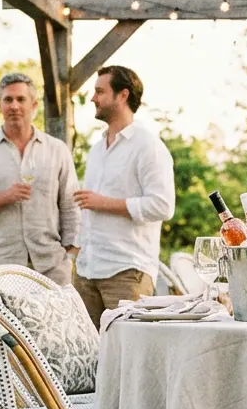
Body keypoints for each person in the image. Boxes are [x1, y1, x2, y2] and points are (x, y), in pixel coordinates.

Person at [0, 72, 81, 284]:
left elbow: (70, 204)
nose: (14, 106)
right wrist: (2, 197)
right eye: (8, 99)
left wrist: (70, 253)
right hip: (0, 271)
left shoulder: (57, 150)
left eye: (21, 99)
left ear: (34, 105)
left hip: (51, 270)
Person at [71, 65, 175, 327]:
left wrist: (102, 203)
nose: (93, 98)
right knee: (88, 361)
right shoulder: (96, 149)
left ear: (123, 95)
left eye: (99, 91)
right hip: (86, 271)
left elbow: (163, 206)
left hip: (127, 273)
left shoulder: (148, 146)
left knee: (127, 359)